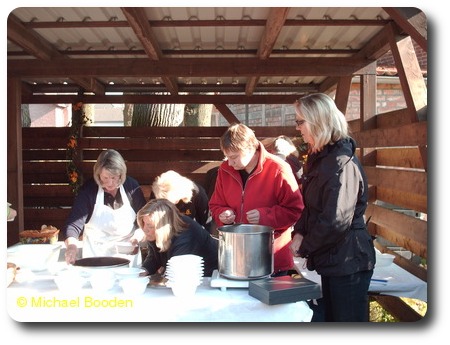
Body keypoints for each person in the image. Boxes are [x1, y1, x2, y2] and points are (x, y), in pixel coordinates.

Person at [289, 93, 376, 322]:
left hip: (348, 261)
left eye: (300, 121)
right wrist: (299, 232)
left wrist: (305, 246)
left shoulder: (341, 162)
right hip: (334, 259)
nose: (298, 128)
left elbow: (335, 221)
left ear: (319, 121)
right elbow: (311, 207)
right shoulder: (321, 159)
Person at [209, 123, 304, 276]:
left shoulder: (278, 168)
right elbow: (215, 204)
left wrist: (264, 217)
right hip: (235, 258)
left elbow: (295, 210)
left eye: (234, 157)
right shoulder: (224, 170)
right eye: (227, 157)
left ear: (250, 148)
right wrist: (222, 213)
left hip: (271, 257)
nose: (230, 163)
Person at [63, 149, 147, 267]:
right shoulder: (89, 190)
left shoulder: (131, 187)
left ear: (121, 174)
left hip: (128, 254)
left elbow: (144, 219)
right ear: (98, 175)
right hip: (96, 256)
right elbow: (73, 225)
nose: (110, 183)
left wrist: (139, 235)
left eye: (114, 177)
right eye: (105, 178)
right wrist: (72, 246)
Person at [136, 198, 218, 277]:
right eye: (144, 223)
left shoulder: (185, 234)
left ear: (162, 227)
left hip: (208, 277)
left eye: (149, 226)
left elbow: (177, 272)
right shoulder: (157, 232)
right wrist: (143, 271)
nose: (144, 229)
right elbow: (154, 256)